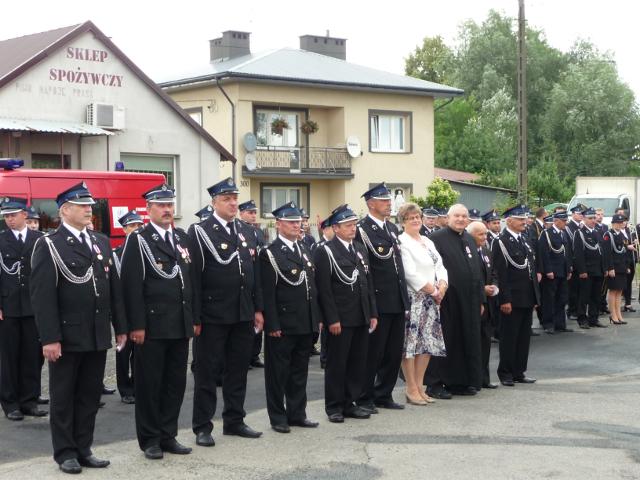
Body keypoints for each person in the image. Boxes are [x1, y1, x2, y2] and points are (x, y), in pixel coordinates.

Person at [30, 182, 127, 474]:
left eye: (89, 205)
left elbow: (113, 288)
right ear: (64, 210)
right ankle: (65, 452)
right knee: (63, 397)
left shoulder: (100, 241)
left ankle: (84, 448)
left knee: (89, 396)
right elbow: (43, 297)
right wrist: (49, 338)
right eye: (82, 206)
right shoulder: (49, 244)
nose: (89, 210)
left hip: (96, 333)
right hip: (67, 334)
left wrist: (120, 326)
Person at [121, 184, 198, 460]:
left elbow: (190, 281)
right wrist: (136, 325)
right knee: (150, 385)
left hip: (179, 323)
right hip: (152, 326)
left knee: (175, 384)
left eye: (170, 205)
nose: (167, 210)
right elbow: (131, 286)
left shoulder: (181, 237)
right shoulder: (139, 240)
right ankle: (150, 439)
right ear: (149, 209)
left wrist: (193, 318)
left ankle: (168, 434)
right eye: (161, 205)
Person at [190, 178, 264, 447]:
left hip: (242, 312)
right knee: (207, 373)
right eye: (226, 199)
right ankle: (202, 426)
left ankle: (234, 420)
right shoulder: (200, 232)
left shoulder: (245, 231)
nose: (233, 203)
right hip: (213, 314)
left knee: (238, 370)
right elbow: (194, 277)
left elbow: (254, 273)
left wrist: (258, 308)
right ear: (214, 203)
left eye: (235, 199)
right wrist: (195, 316)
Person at [260, 202, 321, 433]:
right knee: (278, 374)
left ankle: (297, 413)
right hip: (283, 324)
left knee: (299, 372)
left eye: (298, 221)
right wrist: (272, 323)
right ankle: (278, 417)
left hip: (304, 321)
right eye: (291, 222)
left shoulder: (304, 249)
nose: (297, 225)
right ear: (278, 224)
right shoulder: (270, 253)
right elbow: (267, 292)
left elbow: (311, 288)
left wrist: (316, 318)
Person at [314, 204, 378, 423]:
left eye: (354, 225)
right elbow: (324, 289)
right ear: (336, 228)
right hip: (340, 317)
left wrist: (372, 312)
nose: (353, 229)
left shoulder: (359, 248)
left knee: (356, 362)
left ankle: (350, 403)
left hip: (361, 315)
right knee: (337, 364)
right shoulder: (325, 251)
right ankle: (334, 406)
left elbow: (367, 282)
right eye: (348, 225)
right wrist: (331, 319)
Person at [355, 183, 410, 413]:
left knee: (393, 352)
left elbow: (397, 266)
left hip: (396, 298)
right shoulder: (361, 230)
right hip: (378, 299)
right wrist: (370, 305)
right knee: (373, 353)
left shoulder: (391, 229)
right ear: (371, 204)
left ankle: (384, 393)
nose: (389, 204)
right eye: (384, 200)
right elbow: (364, 270)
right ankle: (364, 396)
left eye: (389, 200)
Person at [424, 204, 483, 398]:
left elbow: (477, 271)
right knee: (445, 341)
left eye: (464, 216)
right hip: (447, 300)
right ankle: (435, 384)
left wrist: (481, 299)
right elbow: (431, 269)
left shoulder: (469, 239)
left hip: (469, 301)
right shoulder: (436, 239)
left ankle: (460, 382)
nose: (460, 219)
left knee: (465, 339)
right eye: (456, 216)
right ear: (448, 218)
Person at [0, 197, 47, 421]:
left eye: (13, 215)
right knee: (8, 357)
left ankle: (29, 401)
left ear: (24, 215)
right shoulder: (1, 240)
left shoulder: (40, 239)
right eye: (6, 216)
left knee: (32, 355)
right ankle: (10, 403)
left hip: (33, 307)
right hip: (8, 307)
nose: (9, 219)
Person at [397, 203, 447, 405]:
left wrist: (442, 285)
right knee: (411, 345)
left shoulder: (427, 240)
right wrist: (434, 291)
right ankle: (411, 388)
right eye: (411, 218)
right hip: (414, 299)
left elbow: (440, 266)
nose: (416, 220)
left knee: (426, 344)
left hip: (432, 300)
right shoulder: (402, 242)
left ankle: (420, 386)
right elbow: (409, 273)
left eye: (418, 217)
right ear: (403, 222)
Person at [492, 205, 539, 387]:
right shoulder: (501, 242)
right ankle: (506, 372)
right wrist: (505, 299)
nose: (524, 222)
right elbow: (500, 273)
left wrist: (536, 297)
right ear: (509, 221)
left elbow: (531, 270)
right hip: (512, 298)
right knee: (509, 337)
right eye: (520, 219)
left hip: (527, 296)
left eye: (524, 219)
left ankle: (519, 371)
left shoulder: (524, 239)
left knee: (523, 337)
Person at [112, 210, 144, 405]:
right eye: (132, 226)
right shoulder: (116, 253)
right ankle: (125, 388)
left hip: (141, 308)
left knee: (140, 352)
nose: (136, 229)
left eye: (139, 226)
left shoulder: (146, 250)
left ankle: (138, 384)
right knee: (123, 351)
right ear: (124, 229)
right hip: (123, 309)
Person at [467, 221, 499, 389]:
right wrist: (482, 289)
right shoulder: (467, 253)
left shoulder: (487, 252)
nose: (485, 237)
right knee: (473, 344)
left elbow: (493, 273)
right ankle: (472, 380)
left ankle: (484, 378)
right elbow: (467, 278)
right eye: (480, 234)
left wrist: (494, 287)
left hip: (488, 305)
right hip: (473, 303)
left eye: (485, 234)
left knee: (485, 343)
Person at [239, 199, 267, 369]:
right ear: (241, 213)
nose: (253, 215)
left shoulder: (257, 232)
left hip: (258, 276)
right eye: (250, 212)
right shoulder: (239, 230)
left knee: (258, 318)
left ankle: (254, 355)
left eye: (255, 212)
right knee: (248, 322)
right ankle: (246, 355)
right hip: (246, 277)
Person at [537, 211, 574, 334]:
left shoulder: (563, 233)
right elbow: (543, 253)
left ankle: (560, 324)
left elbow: (567, 253)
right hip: (552, 271)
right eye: (563, 221)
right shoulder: (546, 234)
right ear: (556, 221)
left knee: (562, 298)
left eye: (566, 221)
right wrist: (548, 270)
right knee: (549, 299)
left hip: (562, 271)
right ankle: (548, 323)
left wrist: (568, 269)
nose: (565, 223)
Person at [573, 207, 608, 329]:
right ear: (584, 219)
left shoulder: (597, 232)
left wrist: (604, 268)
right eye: (590, 218)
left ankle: (593, 318)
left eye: (594, 218)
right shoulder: (579, 233)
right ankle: (582, 319)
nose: (593, 220)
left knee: (596, 296)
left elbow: (602, 252)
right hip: (587, 270)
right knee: (584, 296)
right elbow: (578, 254)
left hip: (598, 270)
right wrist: (582, 270)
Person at [312, 218, 334, 369]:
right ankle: (324, 358)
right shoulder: (319, 246)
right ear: (325, 229)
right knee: (326, 329)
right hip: (322, 291)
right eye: (332, 228)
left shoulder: (333, 246)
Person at [603, 214, 632, 325]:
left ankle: (619, 314)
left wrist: (627, 266)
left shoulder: (622, 235)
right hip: (614, 267)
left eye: (621, 222)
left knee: (619, 291)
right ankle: (613, 315)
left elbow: (625, 252)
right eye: (618, 223)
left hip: (622, 267)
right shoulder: (608, 235)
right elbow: (607, 253)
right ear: (613, 223)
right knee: (613, 291)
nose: (620, 225)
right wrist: (610, 268)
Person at [565, 205, 584, 319]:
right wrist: (570, 264)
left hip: (581, 263)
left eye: (582, 213)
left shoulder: (582, 226)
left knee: (581, 289)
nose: (581, 215)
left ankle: (578, 310)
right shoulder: (568, 227)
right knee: (573, 289)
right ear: (573, 214)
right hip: (573, 262)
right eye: (578, 213)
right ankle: (572, 311)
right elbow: (568, 248)